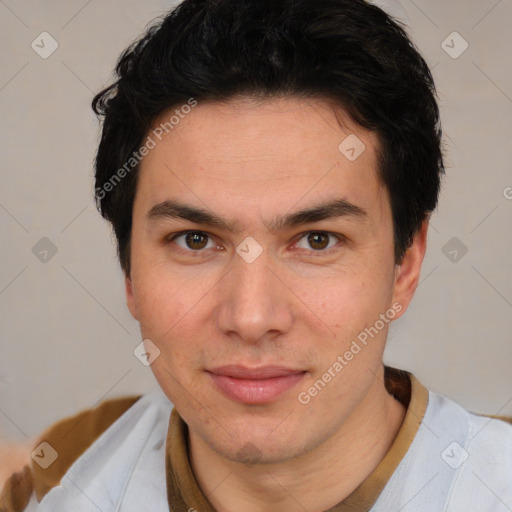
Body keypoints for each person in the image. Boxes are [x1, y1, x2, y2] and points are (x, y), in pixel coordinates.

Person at [1, 0, 511, 510]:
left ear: (406, 265)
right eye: (194, 240)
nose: (250, 317)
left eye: (317, 240)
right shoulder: (64, 473)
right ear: (129, 270)